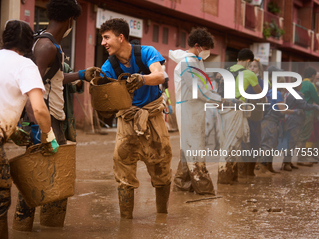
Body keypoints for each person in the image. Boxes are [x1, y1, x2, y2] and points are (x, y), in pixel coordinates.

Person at [13, 0, 94, 231]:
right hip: (46, 121)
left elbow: (54, 79)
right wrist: (40, 131)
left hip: (50, 118)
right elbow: (32, 87)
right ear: (70, 20)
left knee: (48, 171)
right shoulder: (47, 46)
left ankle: (37, 225)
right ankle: (30, 224)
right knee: (49, 171)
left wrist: (81, 74)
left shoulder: (46, 43)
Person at [98, 18, 172, 219]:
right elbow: (106, 102)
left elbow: (160, 76)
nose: (103, 43)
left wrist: (142, 79)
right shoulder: (108, 66)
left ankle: (162, 216)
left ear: (120, 37)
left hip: (152, 116)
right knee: (123, 170)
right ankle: (126, 222)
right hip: (127, 119)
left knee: (162, 166)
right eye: (102, 38)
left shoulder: (146, 53)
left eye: (106, 37)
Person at [0, 20, 58, 239]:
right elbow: (39, 109)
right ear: (29, 44)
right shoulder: (25, 65)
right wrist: (48, 137)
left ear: (4, 39)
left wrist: (11, 131)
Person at [170, 28, 220, 194]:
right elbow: (197, 90)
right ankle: (204, 189)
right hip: (188, 109)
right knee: (194, 147)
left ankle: (181, 185)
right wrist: (219, 99)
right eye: (206, 48)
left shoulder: (196, 60)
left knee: (189, 146)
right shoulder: (188, 63)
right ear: (198, 46)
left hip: (194, 108)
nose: (207, 52)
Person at [217, 48, 262, 183]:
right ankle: (225, 178)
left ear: (238, 59)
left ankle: (230, 176)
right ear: (249, 61)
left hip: (222, 109)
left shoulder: (227, 70)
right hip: (236, 110)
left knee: (224, 142)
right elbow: (260, 94)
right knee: (234, 142)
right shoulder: (249, 73)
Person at [279, 80, 319, 171]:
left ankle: (288, 162)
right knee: (292, 141)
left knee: (289, 141)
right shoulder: (297, 94)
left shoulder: (287, 94)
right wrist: (315, 106)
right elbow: (304, 106)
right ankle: (286, 163)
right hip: (295, 120)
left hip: (287, 119)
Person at [296, 67, 319, 166]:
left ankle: (301, 157)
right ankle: (301, 158)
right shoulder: (310, 85)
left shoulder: (300, 83)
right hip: (308, 112)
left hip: (298, 112)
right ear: (312, 76)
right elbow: (317, 99)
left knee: (300, 134)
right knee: (304, 136)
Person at [239, 59, 264, 177]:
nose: (252, 68)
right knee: (243, 142)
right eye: (251, 66)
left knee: (255, 142)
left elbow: (263, 98)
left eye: (255, 66)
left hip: (255, 116)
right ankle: (242, 171)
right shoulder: (243, 80)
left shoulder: (261, 82)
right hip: (243, 115)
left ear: (259, 69)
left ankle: (250, 171)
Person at [62, 62, 84, 141]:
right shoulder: (37, 64)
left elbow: (73, 88)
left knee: (65, 142)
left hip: (64, 110)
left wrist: (79, 79)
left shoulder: (65, 67)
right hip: (48, 109)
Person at [306, 72, 319, 153]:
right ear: (314, 79)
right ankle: (308, 153)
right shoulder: (311, 87)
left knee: (318, 134)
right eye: (317, 78)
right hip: (311, 113)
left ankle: (315, 152)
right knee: (311, 135)